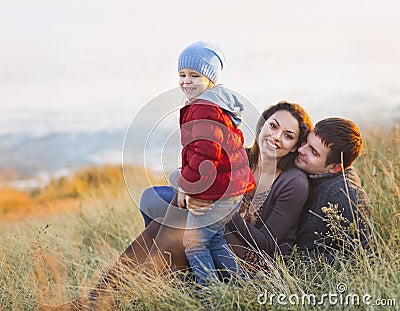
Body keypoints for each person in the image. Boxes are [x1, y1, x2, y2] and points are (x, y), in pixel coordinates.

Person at [40, 101, 312, 310]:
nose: (276, 137)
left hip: (249, 262)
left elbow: (268, 245)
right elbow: (199, 173)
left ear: (294, 146)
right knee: (173, 217)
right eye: (273, 126)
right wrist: (189, 187)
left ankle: (98, 301)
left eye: (288, 136)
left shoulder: (292, 182)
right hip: (216, 239)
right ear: (263, 125)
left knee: (182, 223)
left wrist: (222, 209)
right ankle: (99, 300)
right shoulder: (239, 156)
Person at [294, 117, 372, 262]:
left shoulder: (347, 197)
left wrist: (296, 260)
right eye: (306, 142)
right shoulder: (310, 165)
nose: (300, 149)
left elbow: (364, 258)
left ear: (335, 167)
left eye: (313, 152)